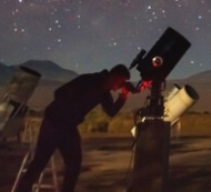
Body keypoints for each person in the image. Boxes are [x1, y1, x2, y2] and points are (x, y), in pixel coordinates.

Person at [16, 64, 134, 192]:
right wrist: (70, 110)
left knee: (74, 165)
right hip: (54, 123)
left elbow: (111, 111)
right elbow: (59, 92)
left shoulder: (104, 93)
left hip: (68, 128)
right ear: (114, 77)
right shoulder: (88, 80)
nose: (120, 86)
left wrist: (123, 96)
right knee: (39, 163)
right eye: (121, 82)